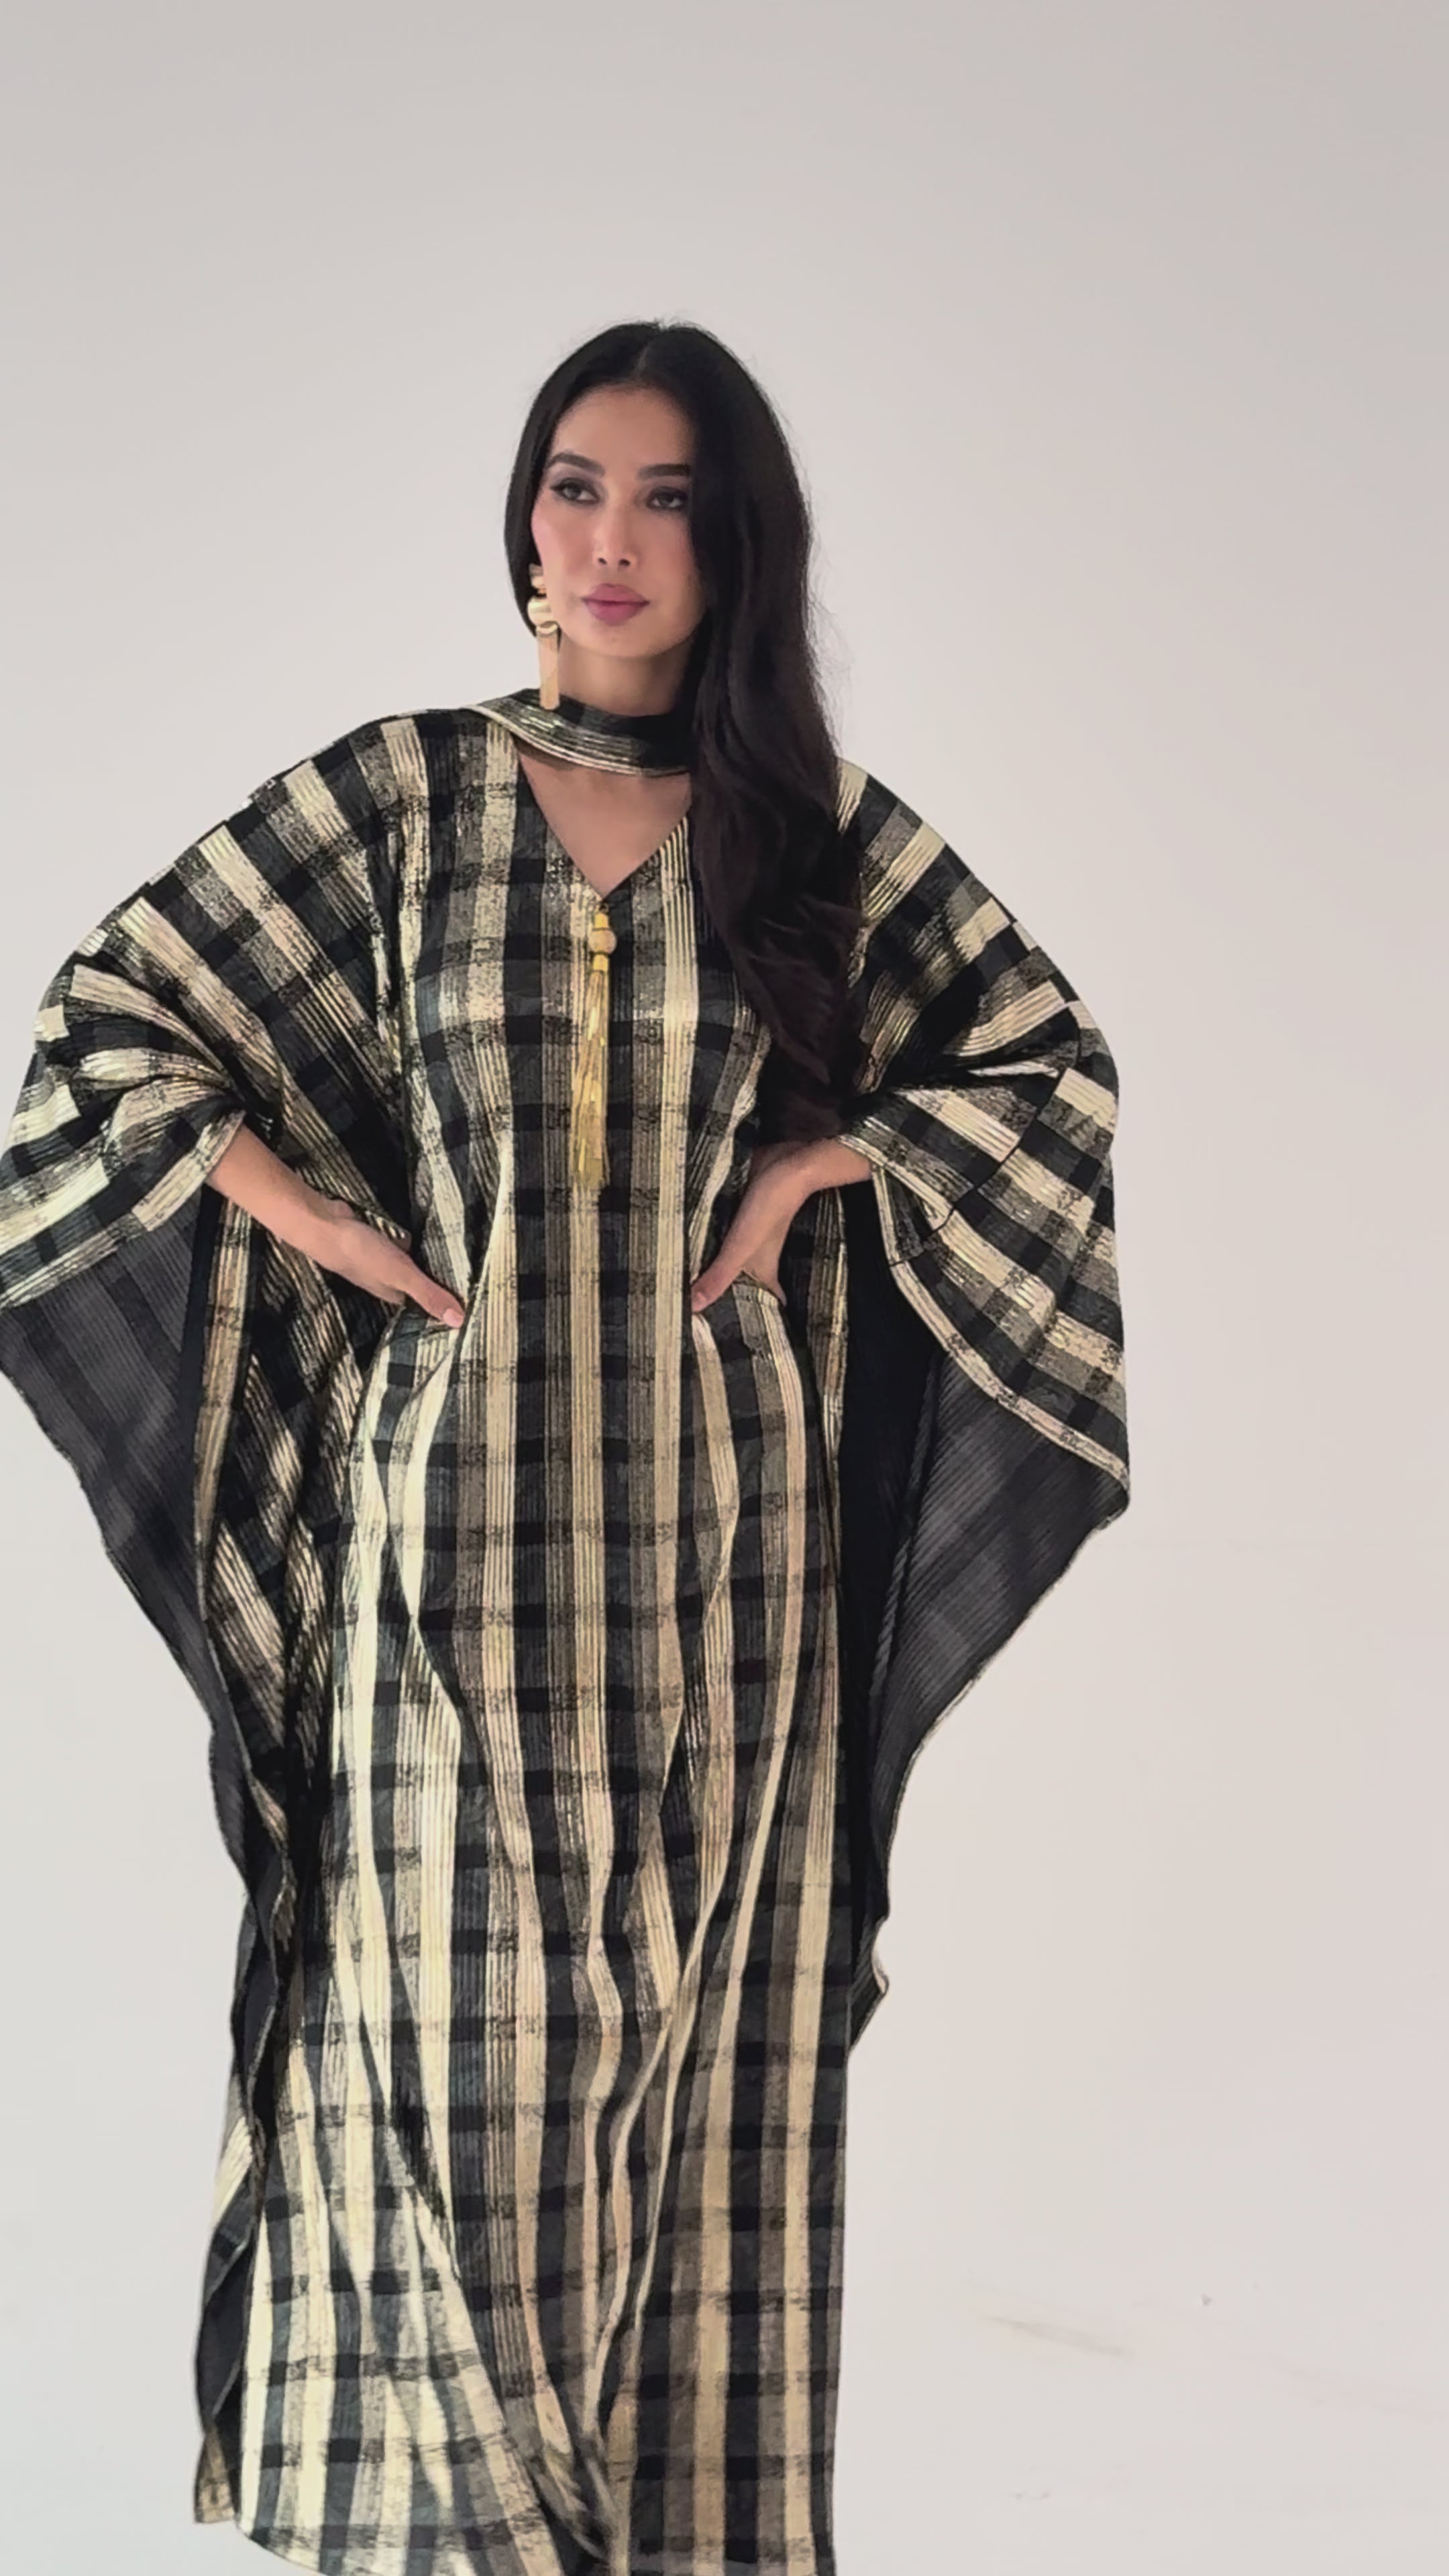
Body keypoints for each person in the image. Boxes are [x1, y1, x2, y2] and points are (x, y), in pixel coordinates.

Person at [0, 317, 1130, 2576]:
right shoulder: (402, 801)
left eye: (668, 496)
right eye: (576, 485)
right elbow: (109, 1027)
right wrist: (307, 1208)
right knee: (451, 2112)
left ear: (735, 542)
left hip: (725, 1571)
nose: (611, 539)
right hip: (445, 1548)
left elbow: (1047, 1072)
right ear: (524, 518)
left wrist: (822, 1169)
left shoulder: (812, 840)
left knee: (680, 2121)